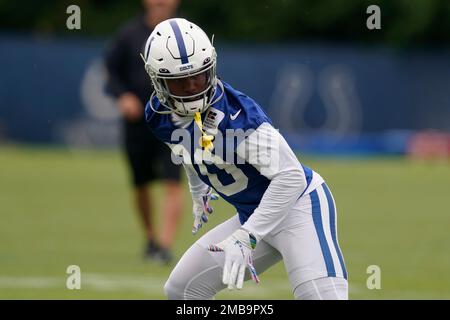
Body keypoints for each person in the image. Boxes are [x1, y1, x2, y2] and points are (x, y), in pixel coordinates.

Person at [142, 18, 348, 299]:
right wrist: (198, 187)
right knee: (182, 291)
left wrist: (247, 236)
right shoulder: (158, 114)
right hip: (254, 216)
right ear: (159, 81)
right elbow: (186, 147)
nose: (192, 88)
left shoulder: (240, 117)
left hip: (300, 209)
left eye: (198, 77)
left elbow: (291, 177)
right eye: (180, 82)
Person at [104, 0, 183, 264]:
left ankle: (165, 245)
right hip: (137, 123)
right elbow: (110, 72)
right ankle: (150, 238)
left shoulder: (184, 35)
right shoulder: (128, 35)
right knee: (141, 184)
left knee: (173, 182)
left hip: (173, 121)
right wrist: (123, 96)